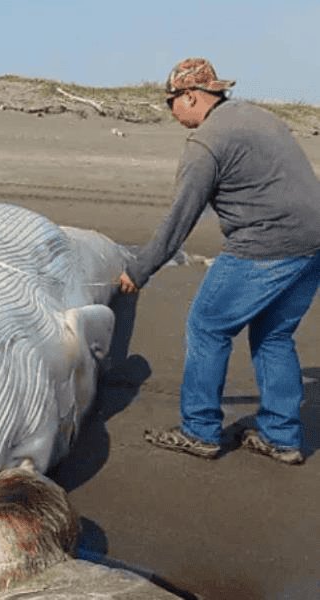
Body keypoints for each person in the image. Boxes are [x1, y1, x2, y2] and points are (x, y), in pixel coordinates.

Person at [118, 58, 320, 465]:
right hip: (313, 241)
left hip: (267, 242)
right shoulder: (255, 116)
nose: (170, 112)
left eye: (170, 102)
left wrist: (139, 270)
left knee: (207, 326)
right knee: (274, 336)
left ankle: (200, 431)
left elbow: (180, 218)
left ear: (190, 96)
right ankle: (282, 438)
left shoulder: (206, 143)